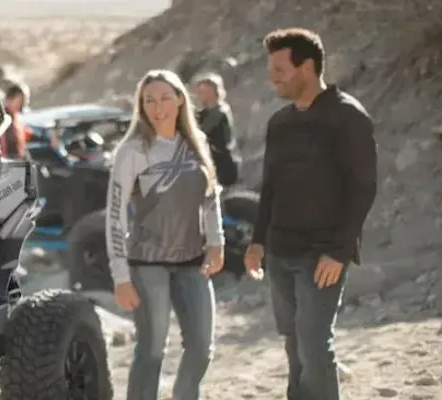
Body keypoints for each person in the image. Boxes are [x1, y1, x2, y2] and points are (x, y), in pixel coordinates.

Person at [245, 28, 377, 400]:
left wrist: (339, 250)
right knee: (294, 342)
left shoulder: (347, 116)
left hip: (322, 255)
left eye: (280, 70)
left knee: (315, 345)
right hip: (280, 251)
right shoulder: (279, 122)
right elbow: (270, 186)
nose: (273, 78)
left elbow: (363, 188)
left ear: (307, 67)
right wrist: (257, 241)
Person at [106, 69, 225, 400]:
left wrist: (217, 242)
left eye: (165, 98)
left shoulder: (196, 144)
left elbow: (210, 197)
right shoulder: (132, 151)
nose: (158, 108)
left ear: (180, 100)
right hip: (147, 263)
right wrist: (121, 276)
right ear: (141, 106)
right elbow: (115, 216)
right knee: (153, 349)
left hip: (193, 261)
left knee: (201, 347)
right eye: (149, 101)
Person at [191, 73, 240, 187]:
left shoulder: (220, 111)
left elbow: (202, 131)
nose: (198, 95)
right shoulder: (206, 112)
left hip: (223, 165)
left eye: (202, 92)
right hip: (214, 163)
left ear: (212, 92)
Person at [1, 82, 32, 159]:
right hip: (9, 162)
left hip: (18, 161)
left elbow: (27, 134)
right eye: (18, 102)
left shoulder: (16, 118)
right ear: (9, 99)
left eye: (22, 102)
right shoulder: (3, 120)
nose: (20, 105)